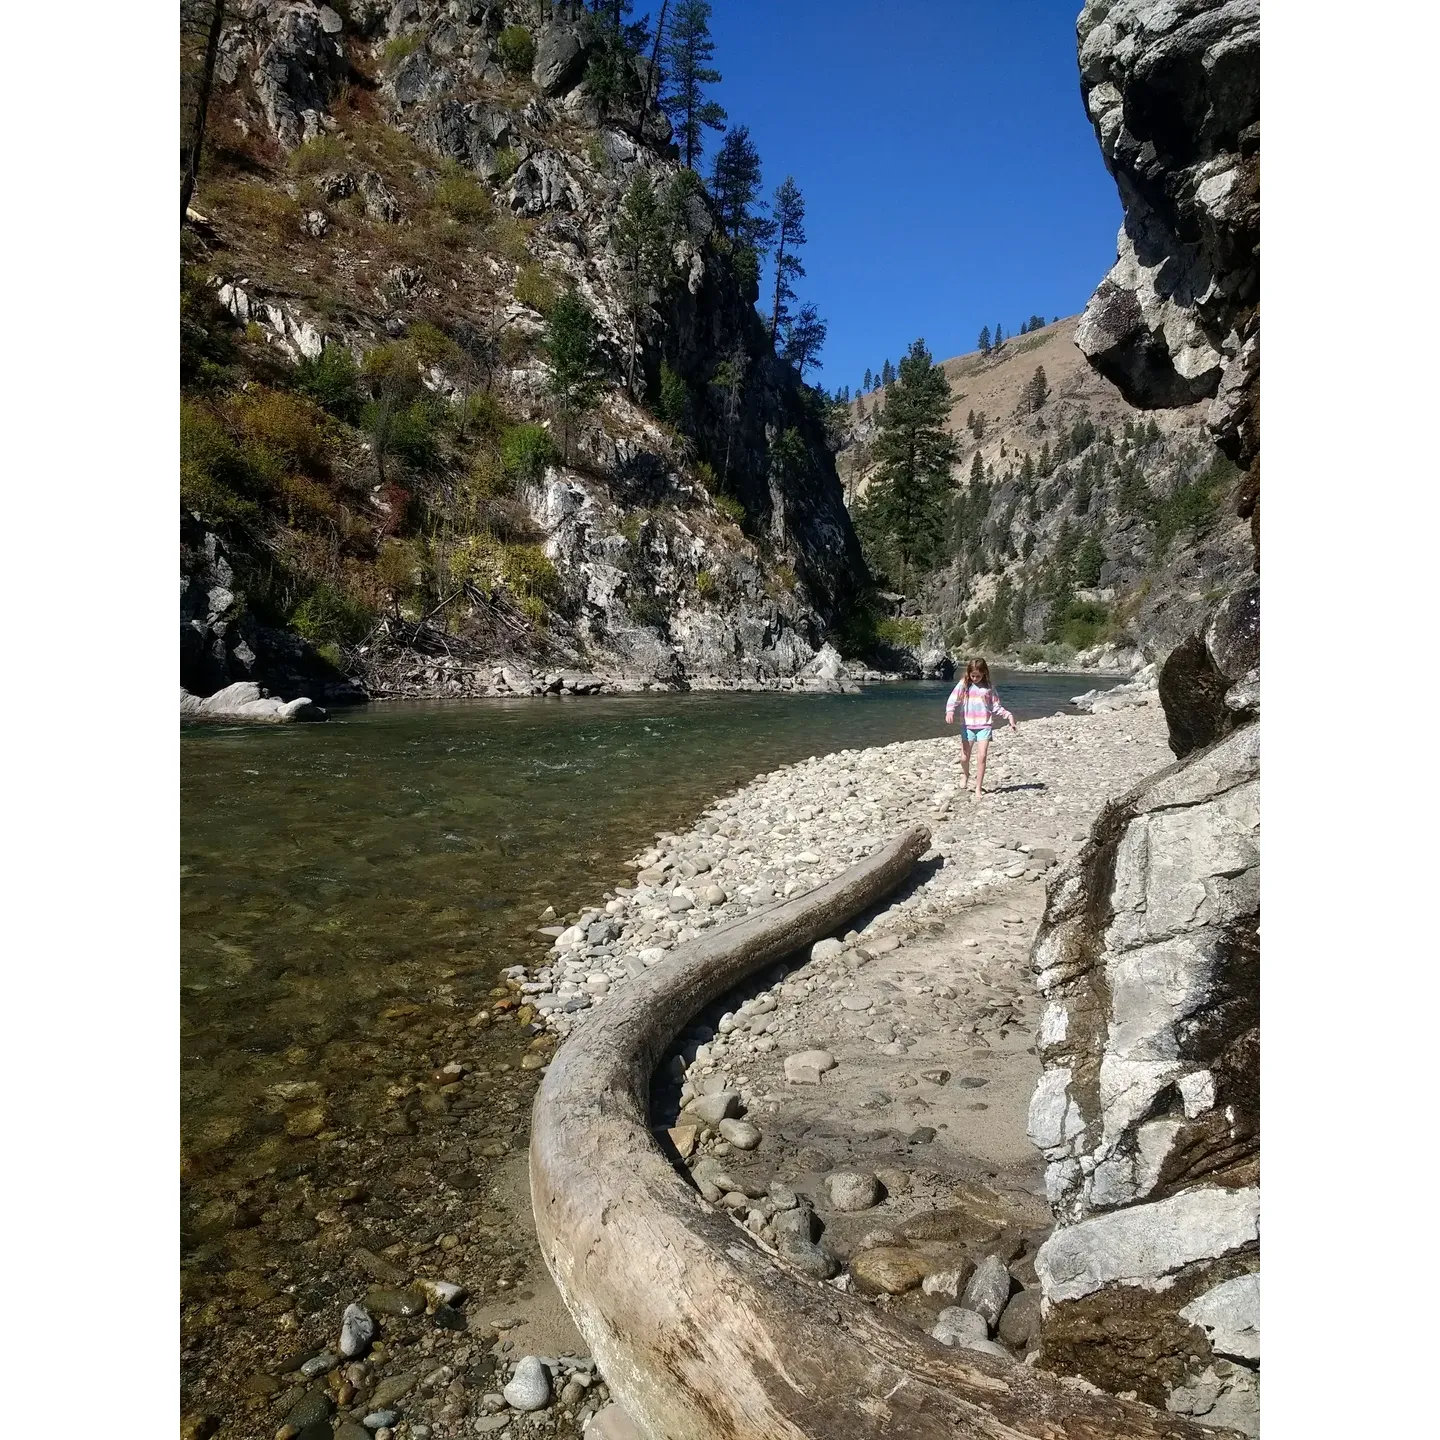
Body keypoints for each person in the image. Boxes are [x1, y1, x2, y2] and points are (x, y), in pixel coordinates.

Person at [944, 657, 1016, 801]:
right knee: (964, 757)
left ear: (984, 673)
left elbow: (995, 706)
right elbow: (953, 699)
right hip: (967, 725)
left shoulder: (988, 687)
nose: (975, 678)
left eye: (978, 675)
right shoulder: (964, 684)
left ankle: (978, 788)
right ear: (969, 673)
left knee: (982, 757)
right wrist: (950, 711)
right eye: (973, 675)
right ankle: (966, 774)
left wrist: (1008, 715)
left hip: (984, 725)